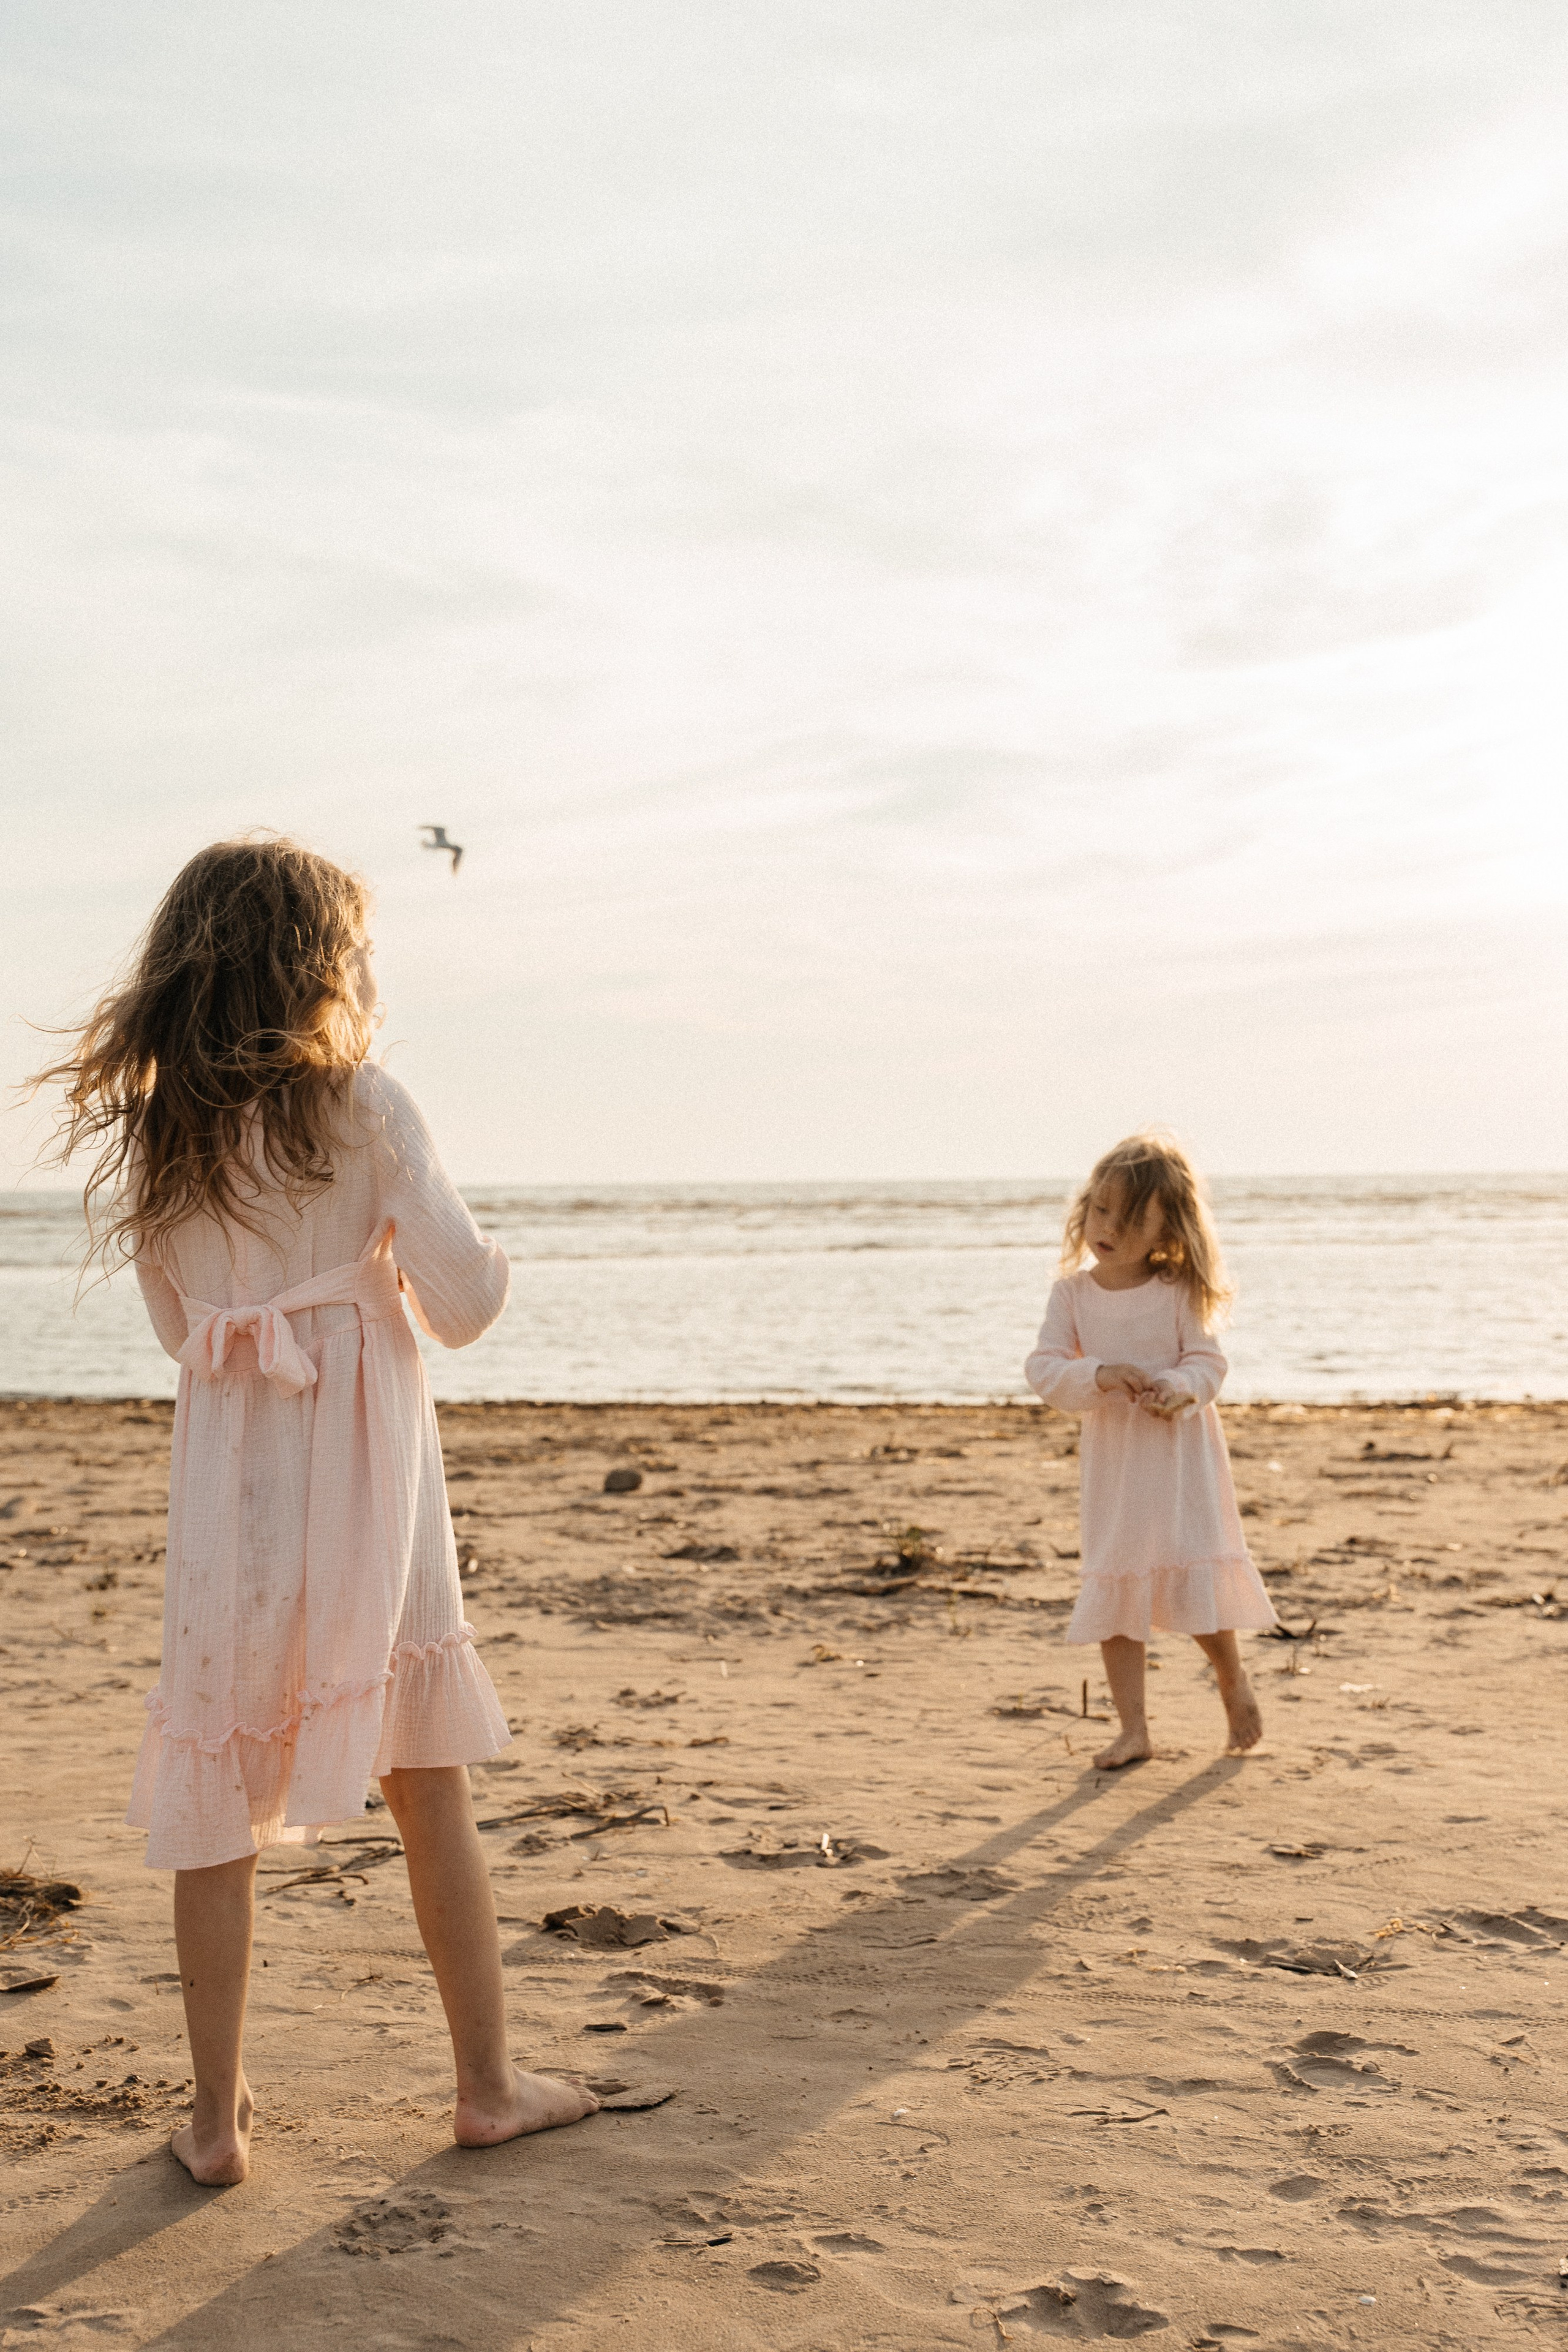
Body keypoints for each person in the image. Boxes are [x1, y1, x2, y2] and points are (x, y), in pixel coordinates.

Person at [32, 836, 596, 2183]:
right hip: (368, 1480)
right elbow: (459, 1306)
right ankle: (487, 2086)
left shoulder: (163, 1130)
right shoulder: (368, 1107)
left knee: (217, 1790)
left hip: (233, 1481)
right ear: (317, 966)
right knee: (424, 1781)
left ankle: (217, 2124)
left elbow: (183, 1332)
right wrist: (411, 1266)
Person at [1024, 1132, 1275, 1769]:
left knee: (1191, 1576)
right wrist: (1100, 1373)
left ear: (1167, 1232)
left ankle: (1230, 1678)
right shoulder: (1072, 1296)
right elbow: (1045, 1369)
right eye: (1100, 1210)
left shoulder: (1175, 1291)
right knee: (1116, 1581)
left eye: (1130, 1220)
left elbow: (1208, 1362)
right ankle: (1133, 1728)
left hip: (1177, 1457)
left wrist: (1180, 1388)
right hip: (1115, 1465)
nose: (1107, 1227)